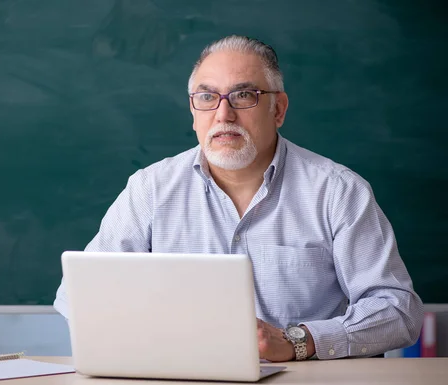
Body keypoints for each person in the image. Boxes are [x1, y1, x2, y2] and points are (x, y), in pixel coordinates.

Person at [54, 35, 423, 362]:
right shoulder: (150, 189)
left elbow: (398, 311)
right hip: (181, 381)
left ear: (277, 110)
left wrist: (300, 341)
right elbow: (78, 294)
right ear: (193, 112)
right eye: (207, 97)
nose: (223, 114)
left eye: (244, 96)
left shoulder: (338, 191)